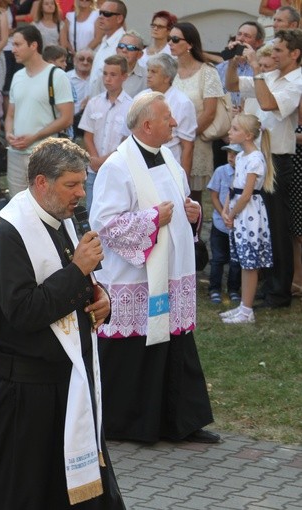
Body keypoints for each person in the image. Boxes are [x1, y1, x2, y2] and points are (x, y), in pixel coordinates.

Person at [0, 137, 125, 510]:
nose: (80, 193)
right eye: (71, 185)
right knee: (29, 491)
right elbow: (24, 312)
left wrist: (99, 295)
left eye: (82, 183)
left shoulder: (63, 219)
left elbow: (77, 282)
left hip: (68, 379)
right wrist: (78, 270)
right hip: (26, 390)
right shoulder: (8, 234)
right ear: (42, 183)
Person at [89, 92, 218, 444]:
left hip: (171, 273)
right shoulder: (118, 166)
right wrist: (151, 219)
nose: (174, 123)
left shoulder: (167, 157)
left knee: (175, 341)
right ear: (147, 125)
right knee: (135, 350)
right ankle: (129, 423)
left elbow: (178, 202)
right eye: (167, 118)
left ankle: (181, 421)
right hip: (136, 277)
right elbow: (104, 224)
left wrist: (192, 212)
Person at [226, 28, 302, 309]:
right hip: (255, 155)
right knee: (260, 224)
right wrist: (235, 61)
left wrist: (257, 67)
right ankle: (264, 284)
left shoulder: (296, 81)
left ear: (294, 54)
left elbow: (270, 104)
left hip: (278, 159)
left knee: (277, 225)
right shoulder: (268, 76)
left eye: (279, 50)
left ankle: (280, 291)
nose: (274, 54)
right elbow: (233, 85)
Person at [220, 114, 276, 323]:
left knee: (250, 263)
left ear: (248, 135)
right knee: (244, 261)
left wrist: (232, 214)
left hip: (249, 214)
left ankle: (247, 310)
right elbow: (234, 187)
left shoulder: (255, 159)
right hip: (239, 213)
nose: (229, 132)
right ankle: (244, 306)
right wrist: (226, 210)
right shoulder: (241, 156)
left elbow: (246, 194)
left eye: (234, 129)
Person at [6, 24, 73, 196]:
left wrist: (35, 137)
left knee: (47, 206)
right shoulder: (17, 76)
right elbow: (10, 115)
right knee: (17, 208)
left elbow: (67, 118)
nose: (13, 49)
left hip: (44, 155)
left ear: (33, 45)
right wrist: (8, 134)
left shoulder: (57, 76)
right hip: (15, 154)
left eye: (17, 44)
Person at [170, 22, 223, 206]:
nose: (170, 42)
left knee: (191, 200)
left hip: (197, 141)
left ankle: (194, 236)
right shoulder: (170, 71)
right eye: (170, 39)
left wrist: (185, 137)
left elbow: (209, 112)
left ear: (190, 44)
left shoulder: (207, 72)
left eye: (175, 39)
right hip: (169, 142)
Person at [78, 54, 132, 212]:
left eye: (113, 75)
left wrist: (104, 161)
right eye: (105, 74)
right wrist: (95, 159)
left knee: (114, 210)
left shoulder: (131, 105)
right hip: (94, 168)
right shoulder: (94, 103)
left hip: (117, 169)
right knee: (92, 209)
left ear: (124, 77)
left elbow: (126, 141)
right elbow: (88, 136)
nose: (108, 78)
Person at [139, 53, 196, 173]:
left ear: (167, 77)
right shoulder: (139, 98)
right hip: (139, 164)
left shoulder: (183, 103)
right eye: (148, 70)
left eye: (154, 72)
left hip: (167, 167)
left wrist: (183, 183)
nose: (148, 75)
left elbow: (187, 147)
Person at [208, 144, 243, 304]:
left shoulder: (245, 175)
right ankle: (214, 289)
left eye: (235, 153)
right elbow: (214, 196)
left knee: (236, 260)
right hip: (219, 225)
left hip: (238, 226)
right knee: (218, 258)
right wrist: (223, 213)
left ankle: (234, 289)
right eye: (229, 152)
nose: (231, 156)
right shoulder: (220, 171)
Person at [87, 0, 126, 97]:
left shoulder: (123, 44)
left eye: (106, 14)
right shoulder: (105, 40)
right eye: (100, 12)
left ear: (119, 18)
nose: (101, 16)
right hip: (96, 102)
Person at [116, 31, 146, 97]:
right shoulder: (104, 73)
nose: (124, 50)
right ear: (116, 50)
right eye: (121, 46)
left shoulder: (147, 77)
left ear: (140, 54)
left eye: (130, 47)